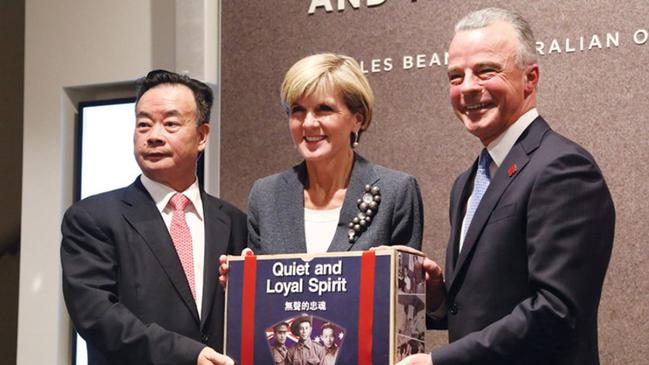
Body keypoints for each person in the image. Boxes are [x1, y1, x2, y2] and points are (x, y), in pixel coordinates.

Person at [397, 7, 615, 365]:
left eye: (486, 71)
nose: (467, 88)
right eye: (456, 76)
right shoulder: (467, 182)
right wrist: (438, 297)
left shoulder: (563, 168)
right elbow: (482, 306)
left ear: (531, 78)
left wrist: (439, 362)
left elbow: (557, 311)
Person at [61, 70, 247, 365]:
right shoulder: (92, 218)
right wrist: (189, 355)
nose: (154, 136)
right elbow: (97, 316)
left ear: (202, 136)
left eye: (170, 124)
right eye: (143, 124)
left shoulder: (234, 221)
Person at [247, 53, 423, 254]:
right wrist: (240, 279)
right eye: (298, 110)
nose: (308, 123)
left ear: (358, 119)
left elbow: (404, 282)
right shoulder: (265, 195)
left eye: (324, 109)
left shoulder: (396, 192)